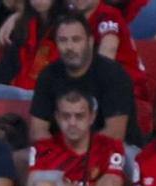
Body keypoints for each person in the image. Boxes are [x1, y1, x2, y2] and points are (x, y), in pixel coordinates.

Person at [25, 88, 127, 186]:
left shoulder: (110, 148)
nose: (72, 123)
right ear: (57, 117)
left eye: (79, 116)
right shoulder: (42, 149)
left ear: (92, 117)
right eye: (66, 116)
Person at [27, 12, 133, 143]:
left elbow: (114, 134)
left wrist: (75, 157)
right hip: (62, 152)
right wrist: (57, 154)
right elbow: (37, 130)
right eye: (63, 40)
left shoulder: (113, 74)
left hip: (117, 152)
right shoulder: (48, 75)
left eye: (76, 39)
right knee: (17, 158)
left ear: (90, 41)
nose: (69, 47)